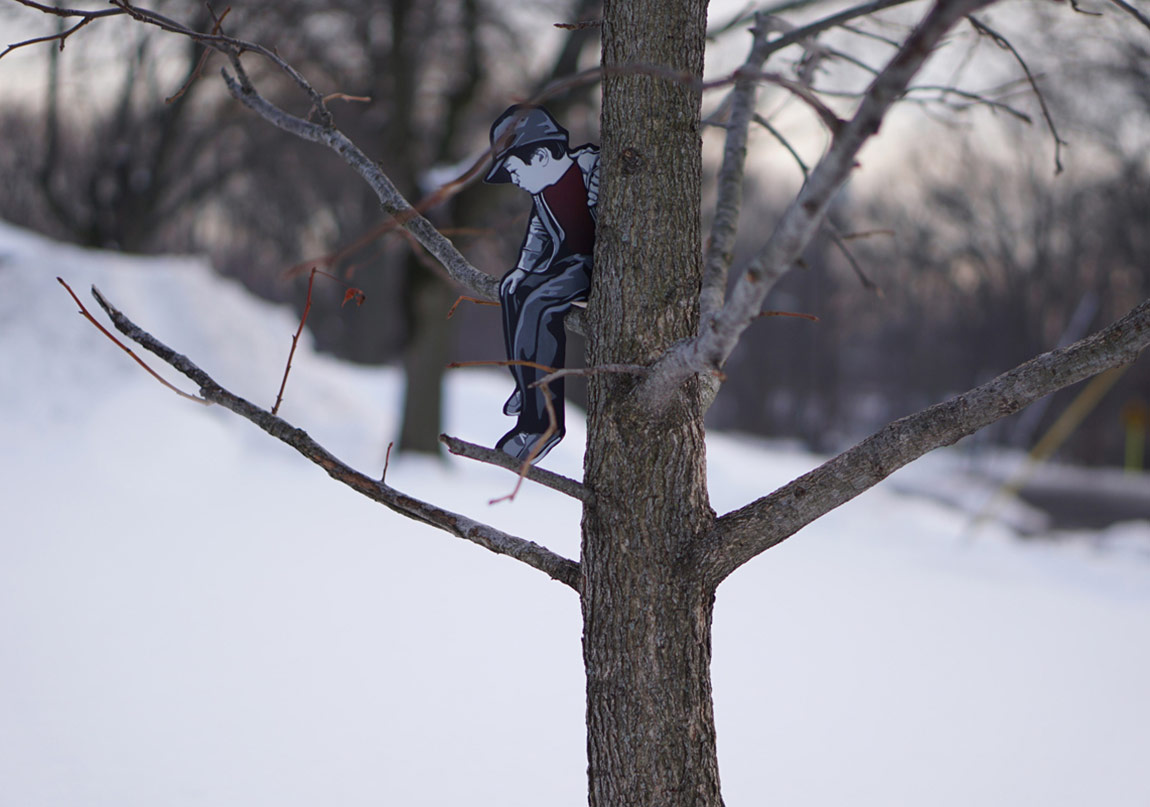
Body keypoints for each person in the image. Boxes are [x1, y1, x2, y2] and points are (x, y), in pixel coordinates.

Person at [484, 105, 599, 463]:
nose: (514, 180)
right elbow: (538, 233)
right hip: (563, 263)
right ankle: (525, 382)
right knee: (513, 290)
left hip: (592, 268)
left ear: (541, 155)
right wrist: (522, 269)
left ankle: (544, 425)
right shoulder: (543, 191)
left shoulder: (591, 171)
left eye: (514, 169)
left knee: (540, 306)